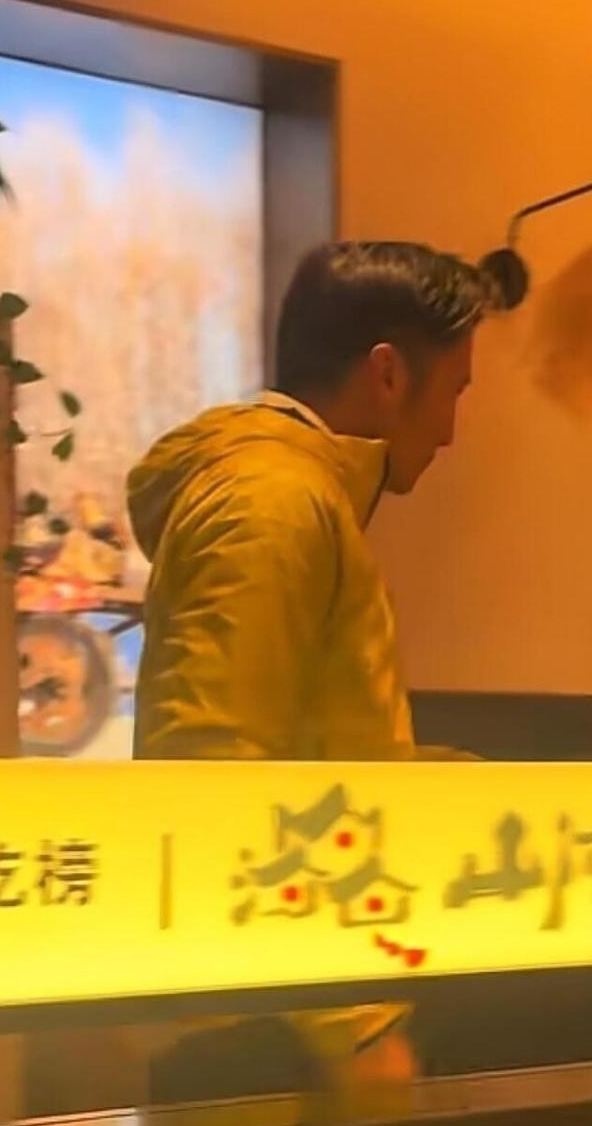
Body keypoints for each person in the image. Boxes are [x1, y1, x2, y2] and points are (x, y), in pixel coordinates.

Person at [126, 240, 492, 1110]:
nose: (451, 430)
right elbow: (214, 773)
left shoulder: (294, 494)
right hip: (265, 1027)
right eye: (454, 392)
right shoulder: (275, 502)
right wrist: (353, 1024)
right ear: (389, 374)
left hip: (277, 1005)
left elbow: (315, 755)